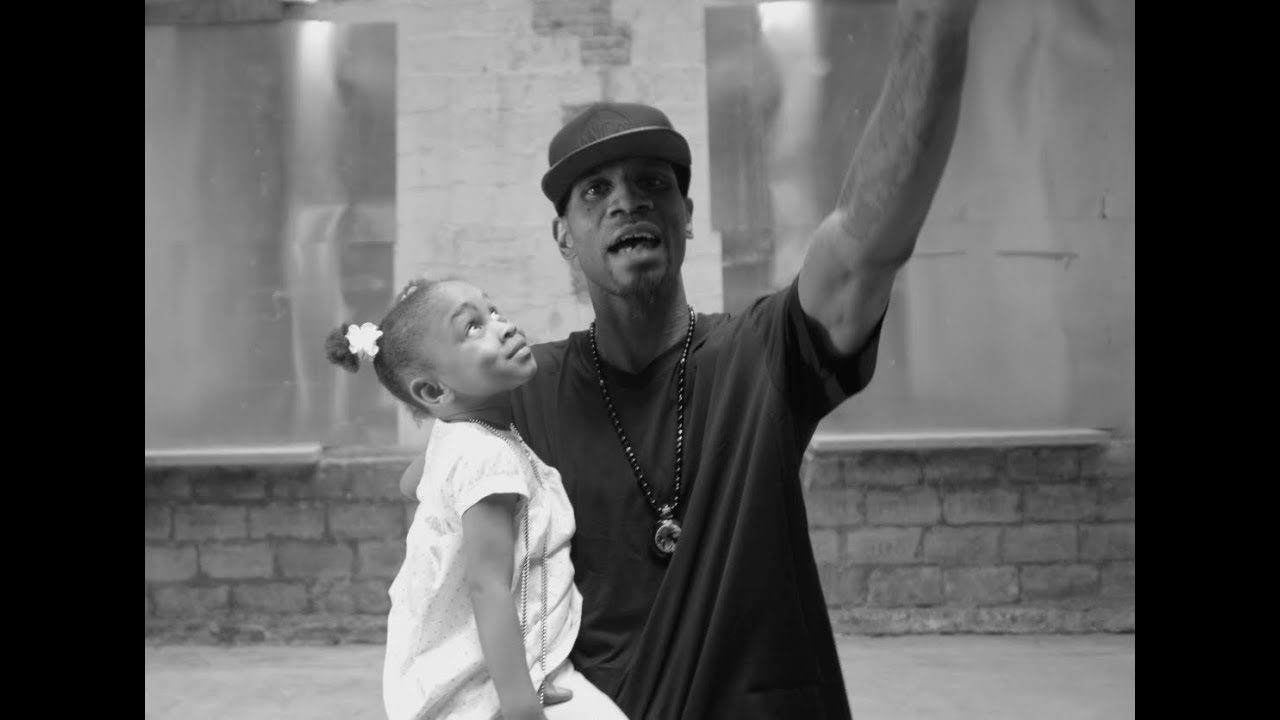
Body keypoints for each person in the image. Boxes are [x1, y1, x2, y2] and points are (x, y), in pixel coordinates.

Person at [403, 2, 978, 717]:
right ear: (564, 237)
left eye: (652, 183)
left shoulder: (761, 357)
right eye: (596, 191)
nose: (626, 203)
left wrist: (935, 24)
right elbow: (432, 500)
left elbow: (867, 246)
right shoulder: (521, 392)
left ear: (686, 215)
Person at [327, 279, 628, 720]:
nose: (503, 327)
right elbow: (487, 587)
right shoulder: (487, 456)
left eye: (494, 312)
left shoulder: (457, 436)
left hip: (478, 666)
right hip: (485, 686)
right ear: (434, 392)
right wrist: (520, 702)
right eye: (472, 327)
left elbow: (410, 484)